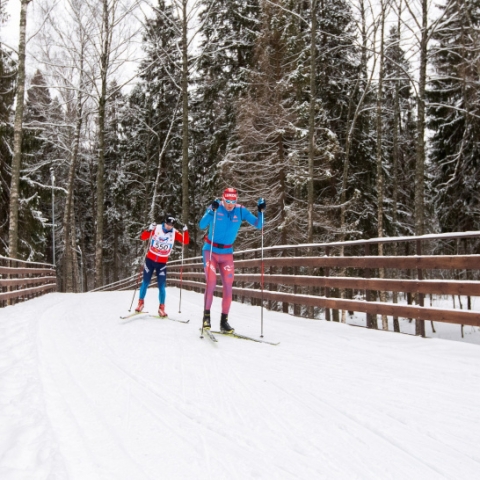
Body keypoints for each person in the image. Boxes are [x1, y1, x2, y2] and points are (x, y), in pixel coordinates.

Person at [199, 187, 266, 332]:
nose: (230, 204)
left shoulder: (240, 210)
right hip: (210, 250)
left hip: (227, 253)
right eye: (227, 201)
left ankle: (224, 322)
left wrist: (261, 212)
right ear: (222, 199)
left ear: (237, 200)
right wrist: (211, 211)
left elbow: (259, 225)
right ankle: (206, 318)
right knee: (211, 282)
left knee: (228, 287)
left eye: (233, 201)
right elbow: (202, 225)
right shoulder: (215, 206)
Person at [135, 214, 189, 317]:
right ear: (164, 222)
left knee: (161, 286)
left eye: (171, 225)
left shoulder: (174, 232)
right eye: (168, 224)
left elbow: (185, 241)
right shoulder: (157, 228)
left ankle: (162, 307)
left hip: (162, 263)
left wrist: (185, 232)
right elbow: (143, 237)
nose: (169, 227)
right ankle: (140, 303)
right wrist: (149, 230)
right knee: (145, 282)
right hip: (150, 260)